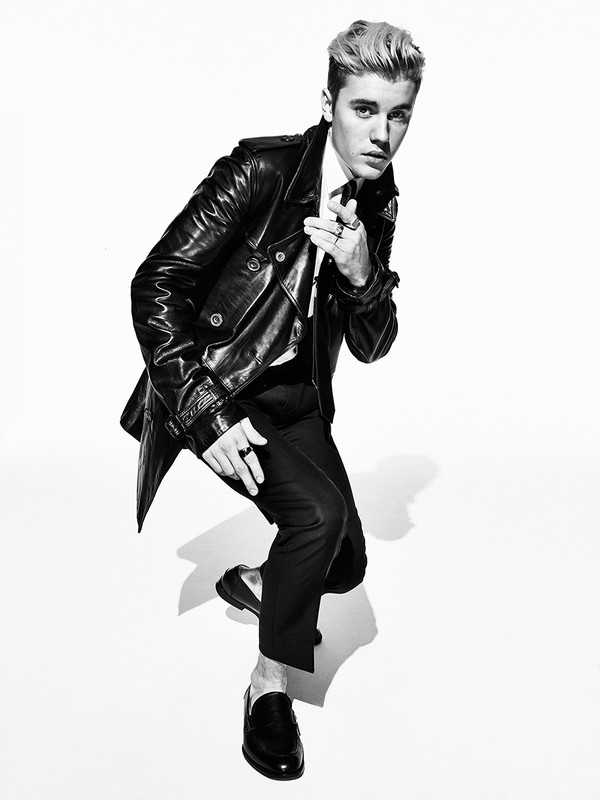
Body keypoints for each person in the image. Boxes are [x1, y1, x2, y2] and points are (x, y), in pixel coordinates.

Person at [121, 19, 425, 780]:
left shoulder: (379, 201)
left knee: (346, 562)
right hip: (223, 388)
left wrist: (362, 274)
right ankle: (268, 685)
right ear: (328, 104)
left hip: (298, 398)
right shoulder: (261, 172)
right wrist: (204, 413)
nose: (382, 133)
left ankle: (260, 584)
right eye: (364, 109)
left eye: (399, 114)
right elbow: (156, 284)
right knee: (315, 517)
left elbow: (374, 345)